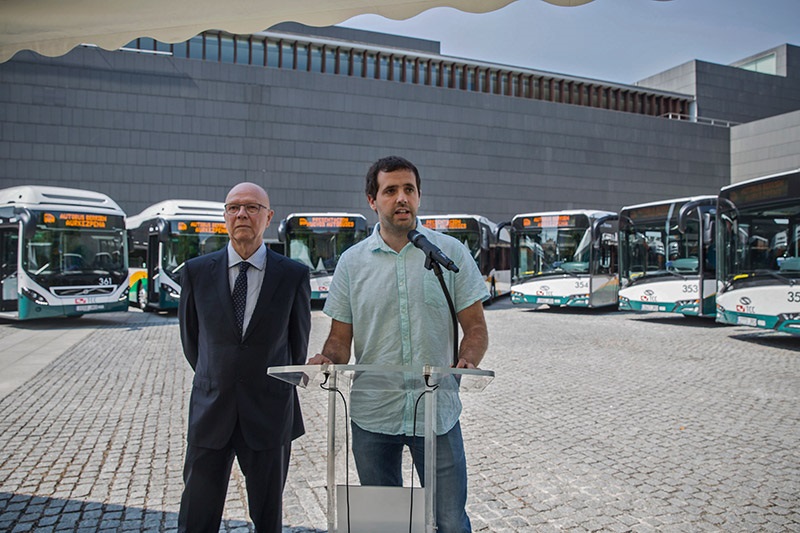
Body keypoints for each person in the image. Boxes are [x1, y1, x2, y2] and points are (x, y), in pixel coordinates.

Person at [308, 156, 489, 533]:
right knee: (385, 525)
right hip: (374, 415)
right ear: (372, 201)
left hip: (437, 414)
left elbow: (475, 329)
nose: (401, 198)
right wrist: (328, 357)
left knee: (451, 522)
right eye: (390, 190)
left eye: (409, 189)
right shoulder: (351, 263)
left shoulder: (449, 254)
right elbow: (340, 340)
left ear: (420, 197)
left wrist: (467, 360)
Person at [178, 182, 311, 533]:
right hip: (211, 410)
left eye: (252, 208)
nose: (242, 214)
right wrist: (219, 374)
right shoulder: (195, 272)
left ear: (268, 217)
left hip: (269, 413)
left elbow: (297, 349)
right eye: (234, 207)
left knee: (268, 520)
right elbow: (193, 344)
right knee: (196, 517)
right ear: (224, 217)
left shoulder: (293, 276)